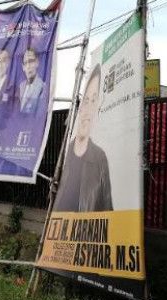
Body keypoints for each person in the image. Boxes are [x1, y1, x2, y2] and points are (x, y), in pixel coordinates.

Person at [53, 65, 113, 212]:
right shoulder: (66, 155)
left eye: (94, 101)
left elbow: (108, 213)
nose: (88, 110)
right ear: (79, 109)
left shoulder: (100, 159)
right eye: (85, 101)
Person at [18, 47, 45, 114]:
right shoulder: (21, 86)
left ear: (37, 63)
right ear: (23, 67)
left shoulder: (43, 87)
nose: (28, 66)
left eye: (31, 61)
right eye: (25, 63)